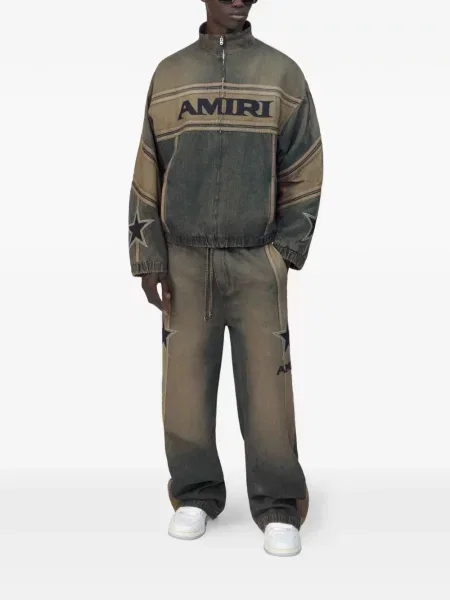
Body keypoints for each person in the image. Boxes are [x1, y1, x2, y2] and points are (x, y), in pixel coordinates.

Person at [128, 0, 323, 557]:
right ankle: (195, 493)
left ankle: (278, 503)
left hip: (257, 259)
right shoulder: (170, 74)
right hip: (184, 264)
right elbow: (148, 166)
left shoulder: (281, 74)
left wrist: (284, 252)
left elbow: (305, 164)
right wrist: (149, 254)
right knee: (184, 389)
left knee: (268, 390)